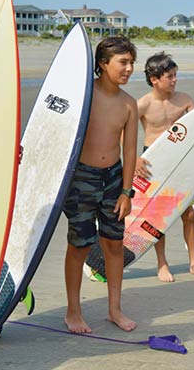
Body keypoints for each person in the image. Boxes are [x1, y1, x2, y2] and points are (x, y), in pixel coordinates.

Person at [62, 36, 138, 333]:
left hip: (113, 179)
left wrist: (126, 191)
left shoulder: (129, 104)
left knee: (114, 244)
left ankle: (114, 309)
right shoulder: (84, 95)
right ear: (103, 64)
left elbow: (130, 150)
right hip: (81, 178)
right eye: (123, 62)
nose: (129, 68)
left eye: (132, 62)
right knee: (79, 245)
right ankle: (73, 311)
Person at [135, 52, 194, 282]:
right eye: (169, 76)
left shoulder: (185, 100)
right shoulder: (143, 104)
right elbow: (124, 132)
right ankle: (162, 263)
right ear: (154, 79)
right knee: (157, 218)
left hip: (181, 162)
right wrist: (134, 160)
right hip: (152, 164)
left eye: (175, 75)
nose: (174, 80)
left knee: (189, 214)